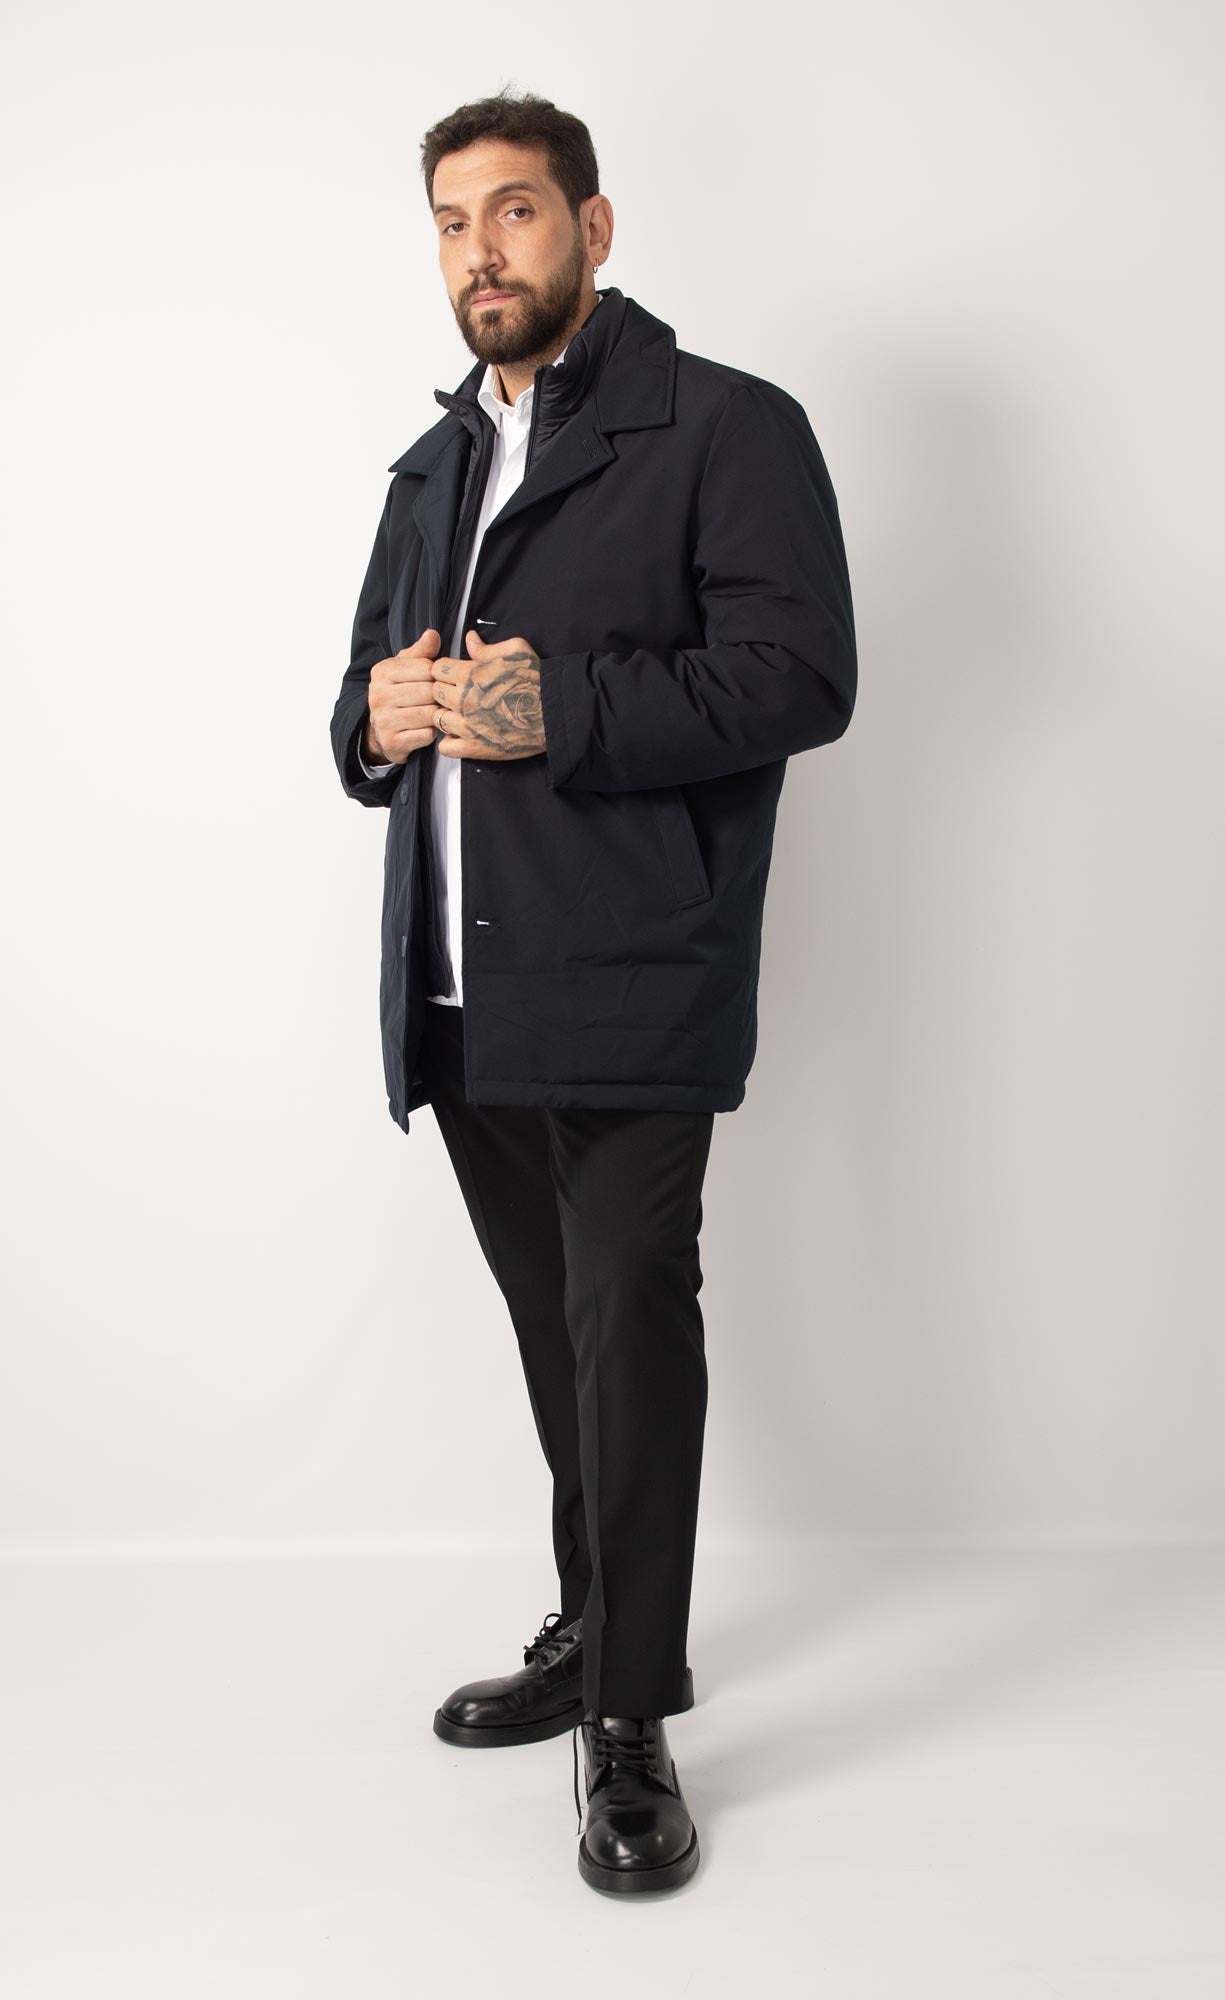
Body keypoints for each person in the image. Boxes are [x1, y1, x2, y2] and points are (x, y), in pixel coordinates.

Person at [328, 88, 857, 1895]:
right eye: (452, 223)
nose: (481, 251)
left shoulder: (725, 425)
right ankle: (593, 1626)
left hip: (635, 974)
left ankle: (629, 1716)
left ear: (593, 228)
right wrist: (376, 721)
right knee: (562, 1334)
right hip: (461, 985)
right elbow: (361, 705)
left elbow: (801, 675)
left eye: (515, 212)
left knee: (629, 1319)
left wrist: (569, 704)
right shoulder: (432, 468)